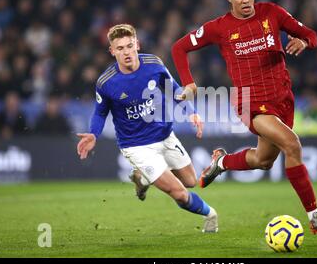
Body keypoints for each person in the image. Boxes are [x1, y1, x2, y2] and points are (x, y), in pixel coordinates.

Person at [171, 0, 317, 234]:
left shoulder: (272, 12)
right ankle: (315, 216)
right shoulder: (219, 28)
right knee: (292, 144)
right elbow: (179, 47)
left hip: (282, 98)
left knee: (264, 160)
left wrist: (304, 41)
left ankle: (222, 162)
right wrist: (188, 82)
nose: (246, 0)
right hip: (252, 103)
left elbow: (313, 34)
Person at [76, 24, 218, 233]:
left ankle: (142, 178)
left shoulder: (153, 64)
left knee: (190, 181)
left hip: (165, 135)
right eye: (120, 48)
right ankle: (211, 215)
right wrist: (93, 134)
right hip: (136, 146)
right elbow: (100, 112)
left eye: (129, 46)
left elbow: (175, 90)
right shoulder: (106, 82)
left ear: (137, 45)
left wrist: (191, 111)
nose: (126, 52)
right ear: (112, 51)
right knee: (179, 193)